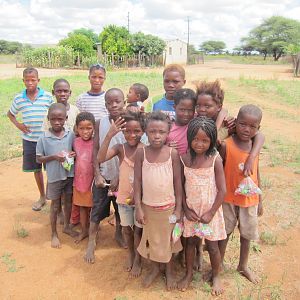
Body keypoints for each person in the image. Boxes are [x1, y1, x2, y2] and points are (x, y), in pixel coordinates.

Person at [178, 117, 227, 295]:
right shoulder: (183, 160)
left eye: (205, 140)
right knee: (190, 243)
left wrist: (211, 212)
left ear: (212, 140)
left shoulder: (215, 159)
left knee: (213, 246)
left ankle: (216, 276)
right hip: (192, 212)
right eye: (196, 139)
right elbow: (180, 188)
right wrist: (185, 208)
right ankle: (189, 273)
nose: (200, 144)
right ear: (189, 137)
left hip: (210, 213)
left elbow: (222, 190)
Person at [134, 111, 183, 290]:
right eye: (152, 131)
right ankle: (155, 269)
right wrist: (138, 207)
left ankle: (169, 271)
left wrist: (178, 209)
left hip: (169, 208)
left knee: (168, 240)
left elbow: (178, 183)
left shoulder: (173, 154)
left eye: (161, 132)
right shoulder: (141, 153)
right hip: (148, 208)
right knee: (153, 240)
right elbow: (137, 182)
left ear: (168, 132)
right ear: (146, 131)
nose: (156, 136)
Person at [219, 104, 263, 284]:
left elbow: (256, 171)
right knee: (225, 232)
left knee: (247, 234)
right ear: (235, 123)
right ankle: (218, 263)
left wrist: (260, 199)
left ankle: (243, 265)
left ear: (258, 128)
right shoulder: (226, 145)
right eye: (243, 124)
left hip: (249, 199)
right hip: (228, 198)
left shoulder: (254, 146)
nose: (247, 129)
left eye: (252, 127)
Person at [97, 111, 145, 277]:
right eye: (127, 131)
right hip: (123, 199)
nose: (132, 135)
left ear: (143, 131)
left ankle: (138, 259)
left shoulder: (146, 150)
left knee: (139, 231)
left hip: (140, 201)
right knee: (127, 230)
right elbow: (100, 158)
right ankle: (130, 254)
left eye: (137, 131)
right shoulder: (120, 148)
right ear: (122, 132)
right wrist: (110, 135)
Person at [84, 88, 126, 264]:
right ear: (105, 104)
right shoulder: (100, 123)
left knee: (120, 209)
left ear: (124, 102)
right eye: (109, 102)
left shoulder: (130, 124)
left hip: (122, 177)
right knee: (97, 208)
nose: (114, 105)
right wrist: (97, 174)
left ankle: (118, 233)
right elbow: (95, 150)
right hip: (103, 177)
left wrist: (121, 176)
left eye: (117, 101)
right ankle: (92, 240)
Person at [7, 67, 53, 211]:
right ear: (23, 81)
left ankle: (55, 198)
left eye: (33, 80)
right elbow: (10, 114)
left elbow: (54, 113)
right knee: (36, 169)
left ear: (38, 81)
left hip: (47, 139)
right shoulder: (19, 98)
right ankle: (42, 197)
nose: (30, 83)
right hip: (30, 140)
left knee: (51, 169)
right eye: (27, 80)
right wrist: (19, 125)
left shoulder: (46, 97)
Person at [195, 80, 264, 176]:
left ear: (219, 107)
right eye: (198, 105)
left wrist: (251, 158)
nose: (202, 109)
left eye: (207, 106)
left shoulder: (228, 124)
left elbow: (259, 135)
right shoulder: (196, 121)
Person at [36, 103, 77, 248]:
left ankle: (66, 227)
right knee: (54, 205)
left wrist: (73, 154)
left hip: (69, 174)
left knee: (68, 202)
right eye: (53, 119)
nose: (57, 122)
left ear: (66, 118)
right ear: (48, 119)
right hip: (54, 177)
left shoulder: (70, 134)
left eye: (60, 119)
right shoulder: (43, 138)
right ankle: (53, 233)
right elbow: (39, 158)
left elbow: (75, 151)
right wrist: (54, 157)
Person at [73, 112, 95, 243]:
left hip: (92, 182)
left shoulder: (96, 142)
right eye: (81, 128)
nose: (85, 131)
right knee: (82, 207)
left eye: (89, 128)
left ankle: (92, 230)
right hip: (80, 181)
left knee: (93, 208)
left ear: (94, 128)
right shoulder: (75, 142)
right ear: (76, 128)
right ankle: (84, 230)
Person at [166, 88, 196, 155]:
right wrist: (166, 148)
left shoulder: (195, 122)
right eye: (182, 110)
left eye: (190, 110)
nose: (186, 114)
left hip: (190, 164)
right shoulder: (167, 127)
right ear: (174, 107)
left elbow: (221, 111)